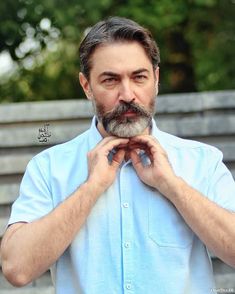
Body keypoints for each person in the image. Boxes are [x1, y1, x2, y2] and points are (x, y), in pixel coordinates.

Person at [1, 16, 235, 294]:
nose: (128, 94)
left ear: (156, 79)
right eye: (110, 80)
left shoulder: (202, 162)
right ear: (86, 86)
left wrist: (171, 185)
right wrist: (91, 188)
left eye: (139, 77)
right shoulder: (49, 167)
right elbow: (16, 268)